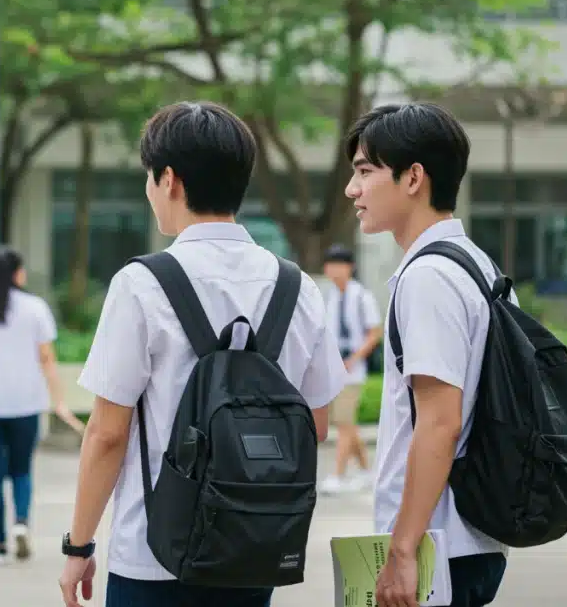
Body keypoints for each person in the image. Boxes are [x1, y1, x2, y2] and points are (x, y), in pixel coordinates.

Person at [57, 101, 345, 607]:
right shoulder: (298, 288)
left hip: (153, 558)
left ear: (169, 179)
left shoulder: (141, 284)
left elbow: (106, 433)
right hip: (253, 553)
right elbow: (315, 425)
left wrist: (78, 544)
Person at [344, 102, 508, 607]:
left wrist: (402, 548)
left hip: (438, 548)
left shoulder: (429, 278)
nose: (353, 189)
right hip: (470, 539)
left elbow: (440, 422)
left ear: (413, 177)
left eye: (365, 171)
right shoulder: (479, 267)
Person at [0, 247, 85, 564]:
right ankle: (21, 524)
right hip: (26, 402)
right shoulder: (35, 308)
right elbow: (47, 358)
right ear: (15, 273)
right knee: (22, 470)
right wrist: (59, 401)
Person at [318, 243, 382, 495]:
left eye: (340, 265)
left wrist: (354, 358)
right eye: (331, 265)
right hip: (335, 368)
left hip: (353, 371)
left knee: (344, 422)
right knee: (347, 424)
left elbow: (375, 333)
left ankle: (337, 474)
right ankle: (368, 472)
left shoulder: (362, 296)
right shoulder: (330, 297)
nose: (335, 270)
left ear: (350, 267)